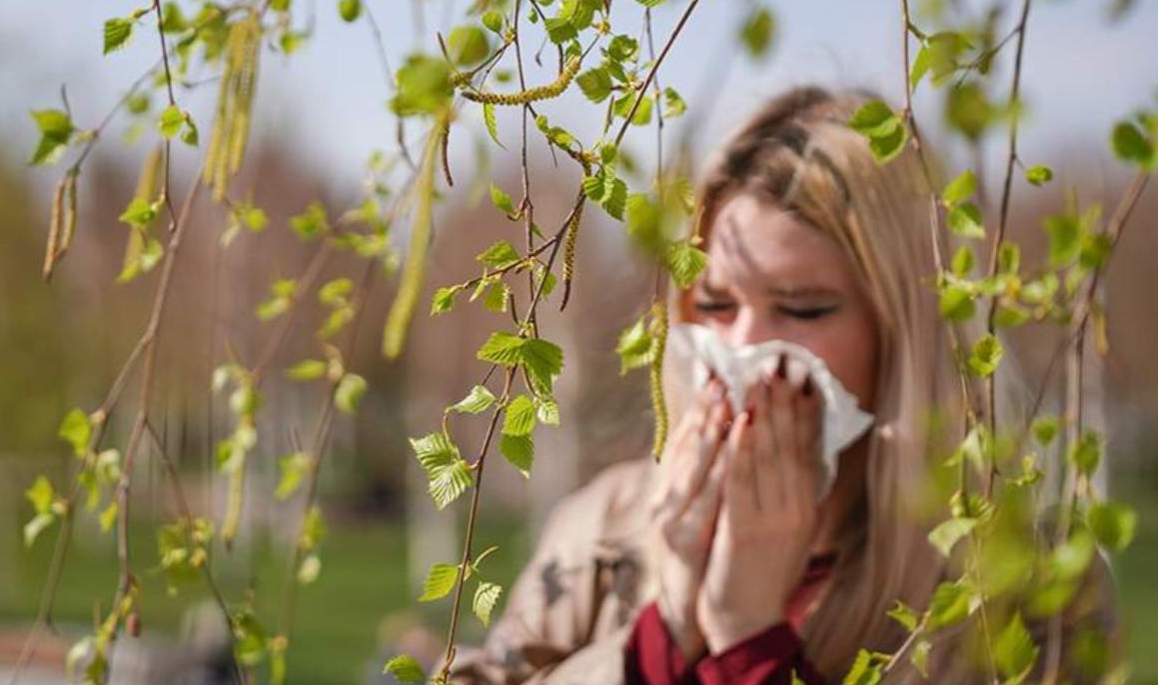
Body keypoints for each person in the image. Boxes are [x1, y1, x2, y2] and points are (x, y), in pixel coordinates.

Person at [438, 86, 1119, 684]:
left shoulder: (1015, 585)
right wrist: (665, 630)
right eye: (714, 306)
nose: (744, 348)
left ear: (898, 333)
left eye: (802, 308)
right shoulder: (599, 527)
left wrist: (747, 642)